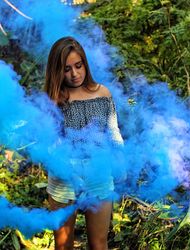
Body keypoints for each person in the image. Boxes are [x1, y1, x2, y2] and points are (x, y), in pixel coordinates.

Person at [44, 36, 123, 250]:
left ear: (85, 63)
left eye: (78, 66)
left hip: (99, 175)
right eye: (66, 69)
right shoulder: (53, 99)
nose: (75, 74)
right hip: (64, 178)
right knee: (63, 246)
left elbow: (113, 130)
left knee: (99, 244)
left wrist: (120, 158)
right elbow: (48, 142)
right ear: (57, 71)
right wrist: (58, 164)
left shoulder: (103, 93)